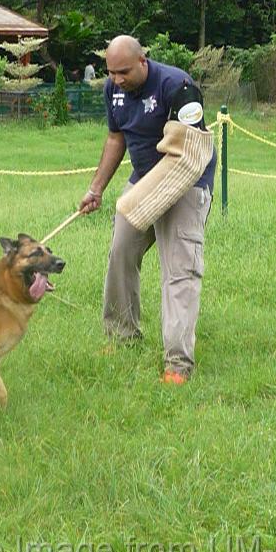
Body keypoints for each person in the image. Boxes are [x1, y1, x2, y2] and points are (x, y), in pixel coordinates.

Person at [79, 36, 216, 384]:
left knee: (179, 269)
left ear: (143, 61)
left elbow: (192, 149)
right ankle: (122, 336)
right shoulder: (114, 90)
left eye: (123, 71)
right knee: (121, 251)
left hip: (185, 181)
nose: (117, 79)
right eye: (111, 72)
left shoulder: (177, 85)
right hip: (143, 180)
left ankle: (178, 363)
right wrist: (96, 189)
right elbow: (116, 138)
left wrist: (160, 195)